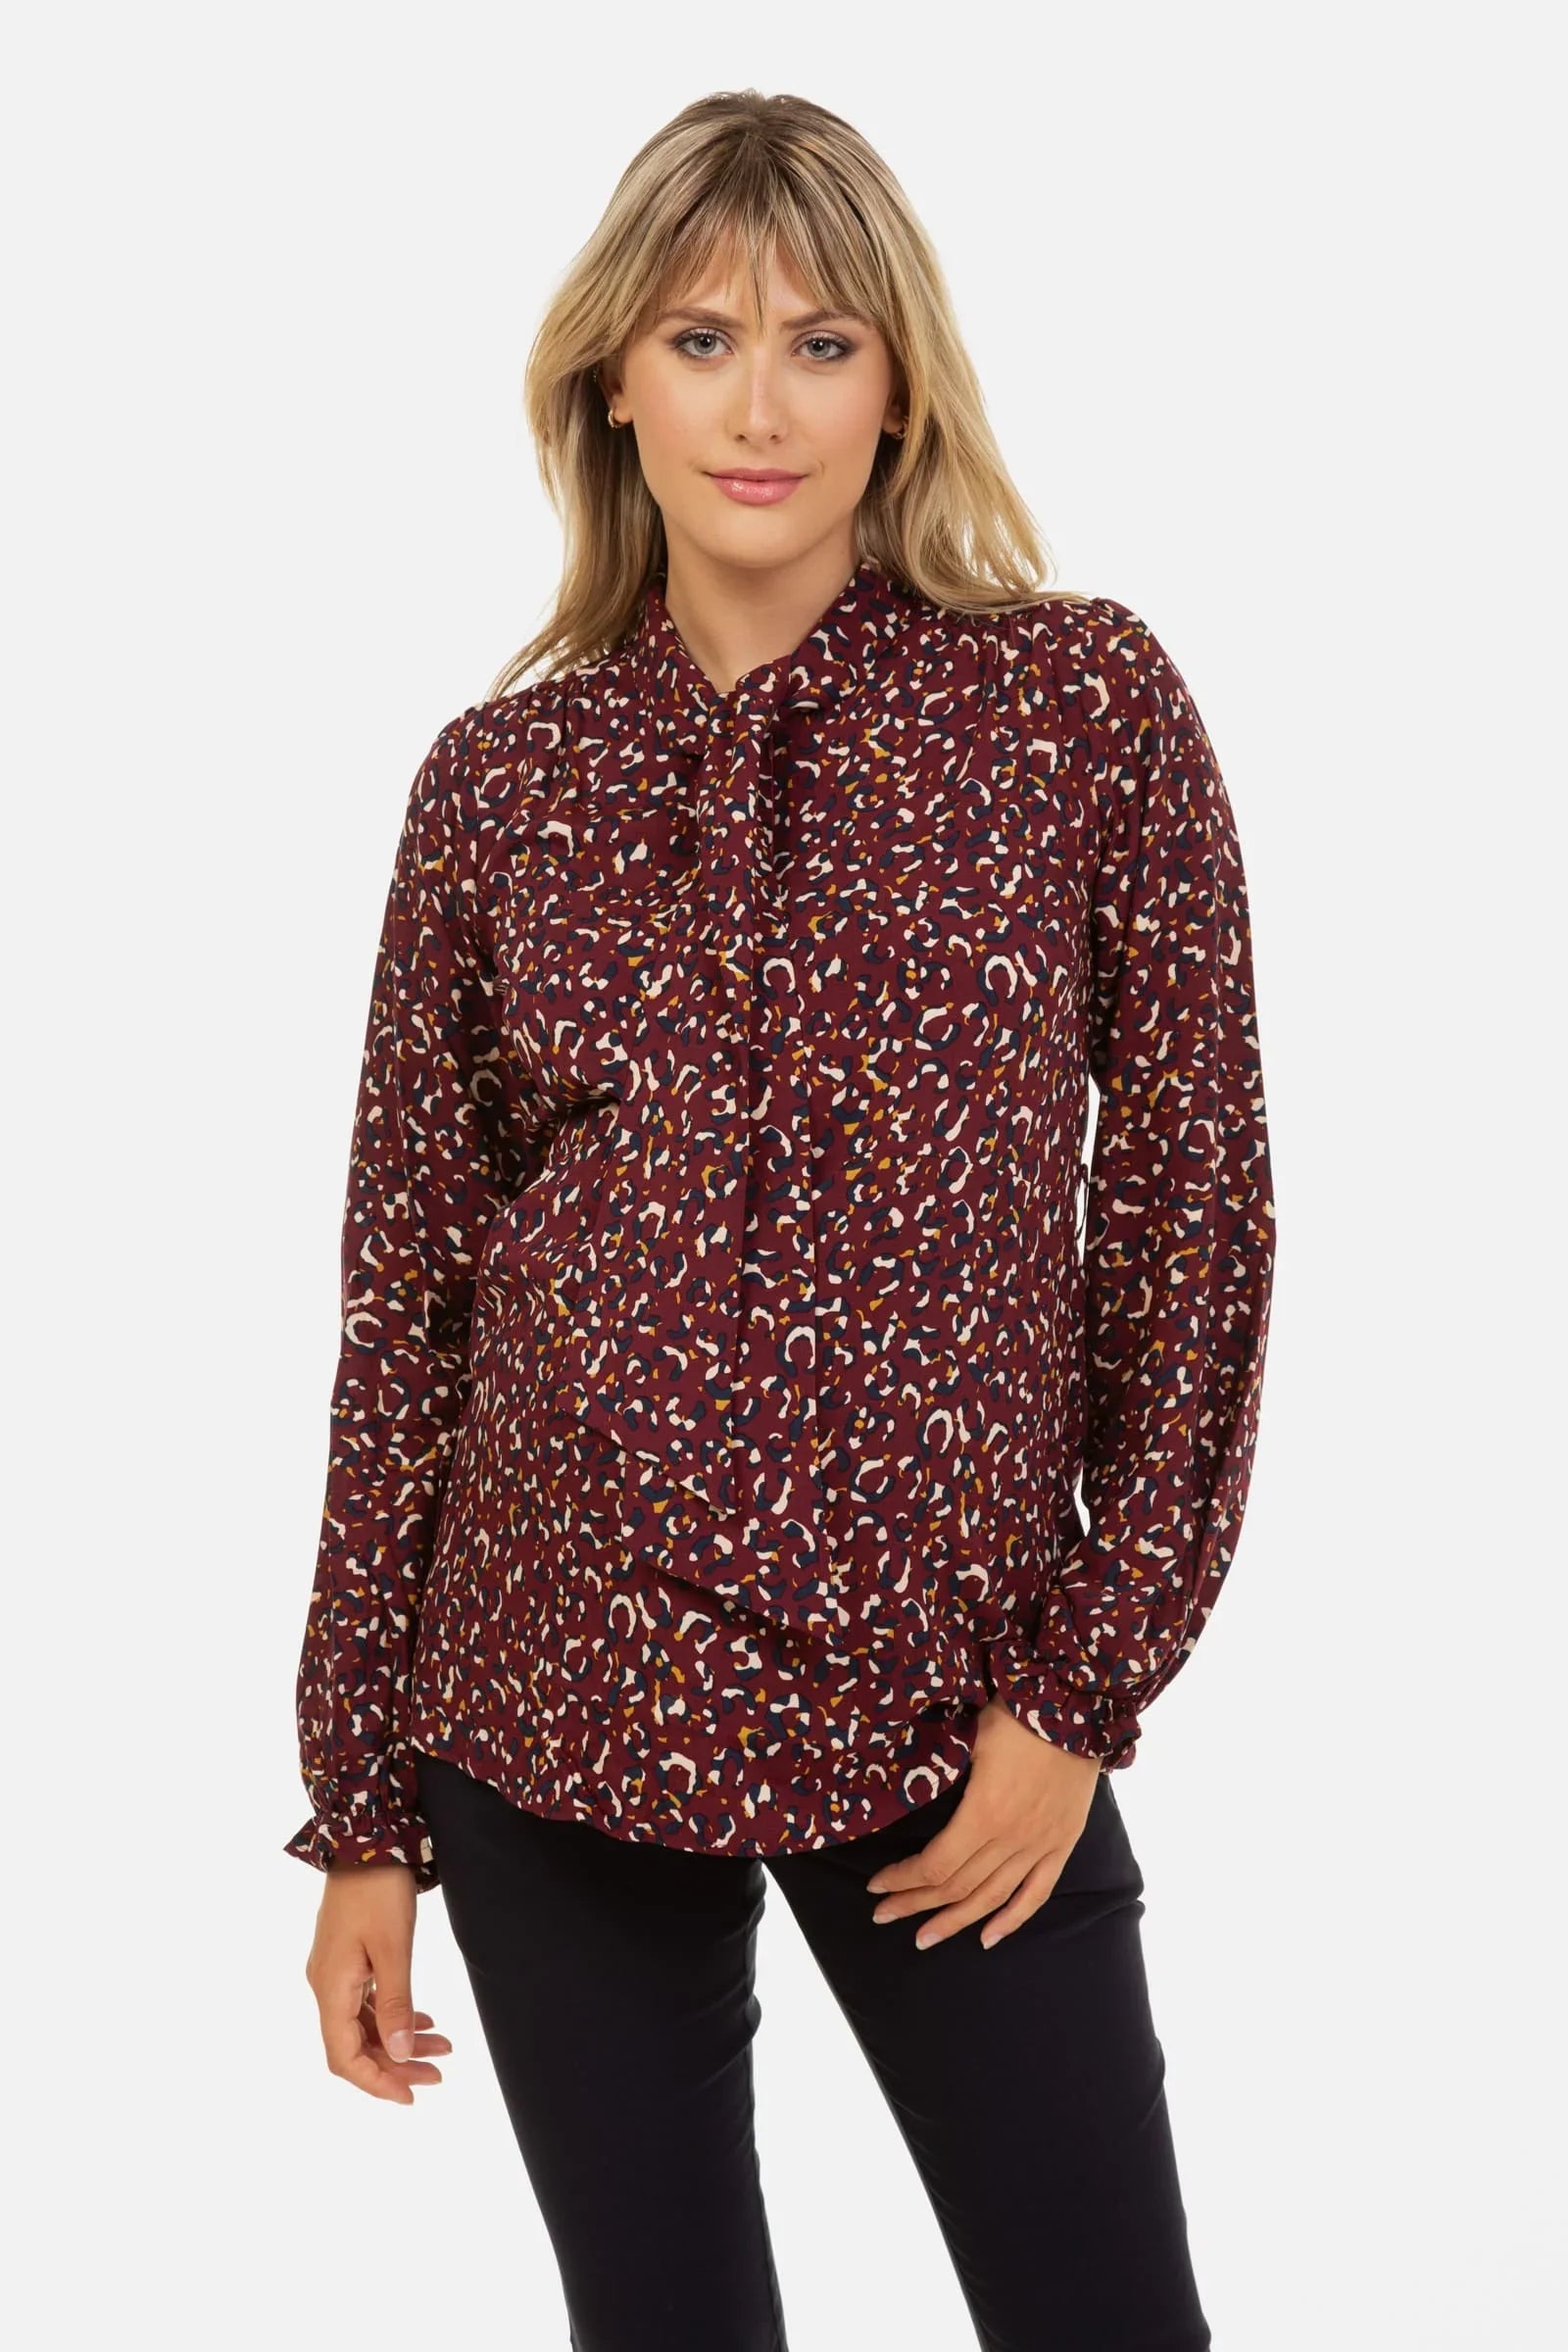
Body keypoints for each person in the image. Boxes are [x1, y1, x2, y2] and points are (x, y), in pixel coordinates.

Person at [285, 87, 1275, 2352]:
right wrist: (361, 1811)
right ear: (610, 382)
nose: (760, 406)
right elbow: (404, 1303)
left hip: (948, 1708)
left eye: (821, 345)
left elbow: (1191, 1214)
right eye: (702, 340)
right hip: (549, 1697)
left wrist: (1078, 1689)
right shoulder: (497, 784)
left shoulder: (1072, 709)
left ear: (896, 386)